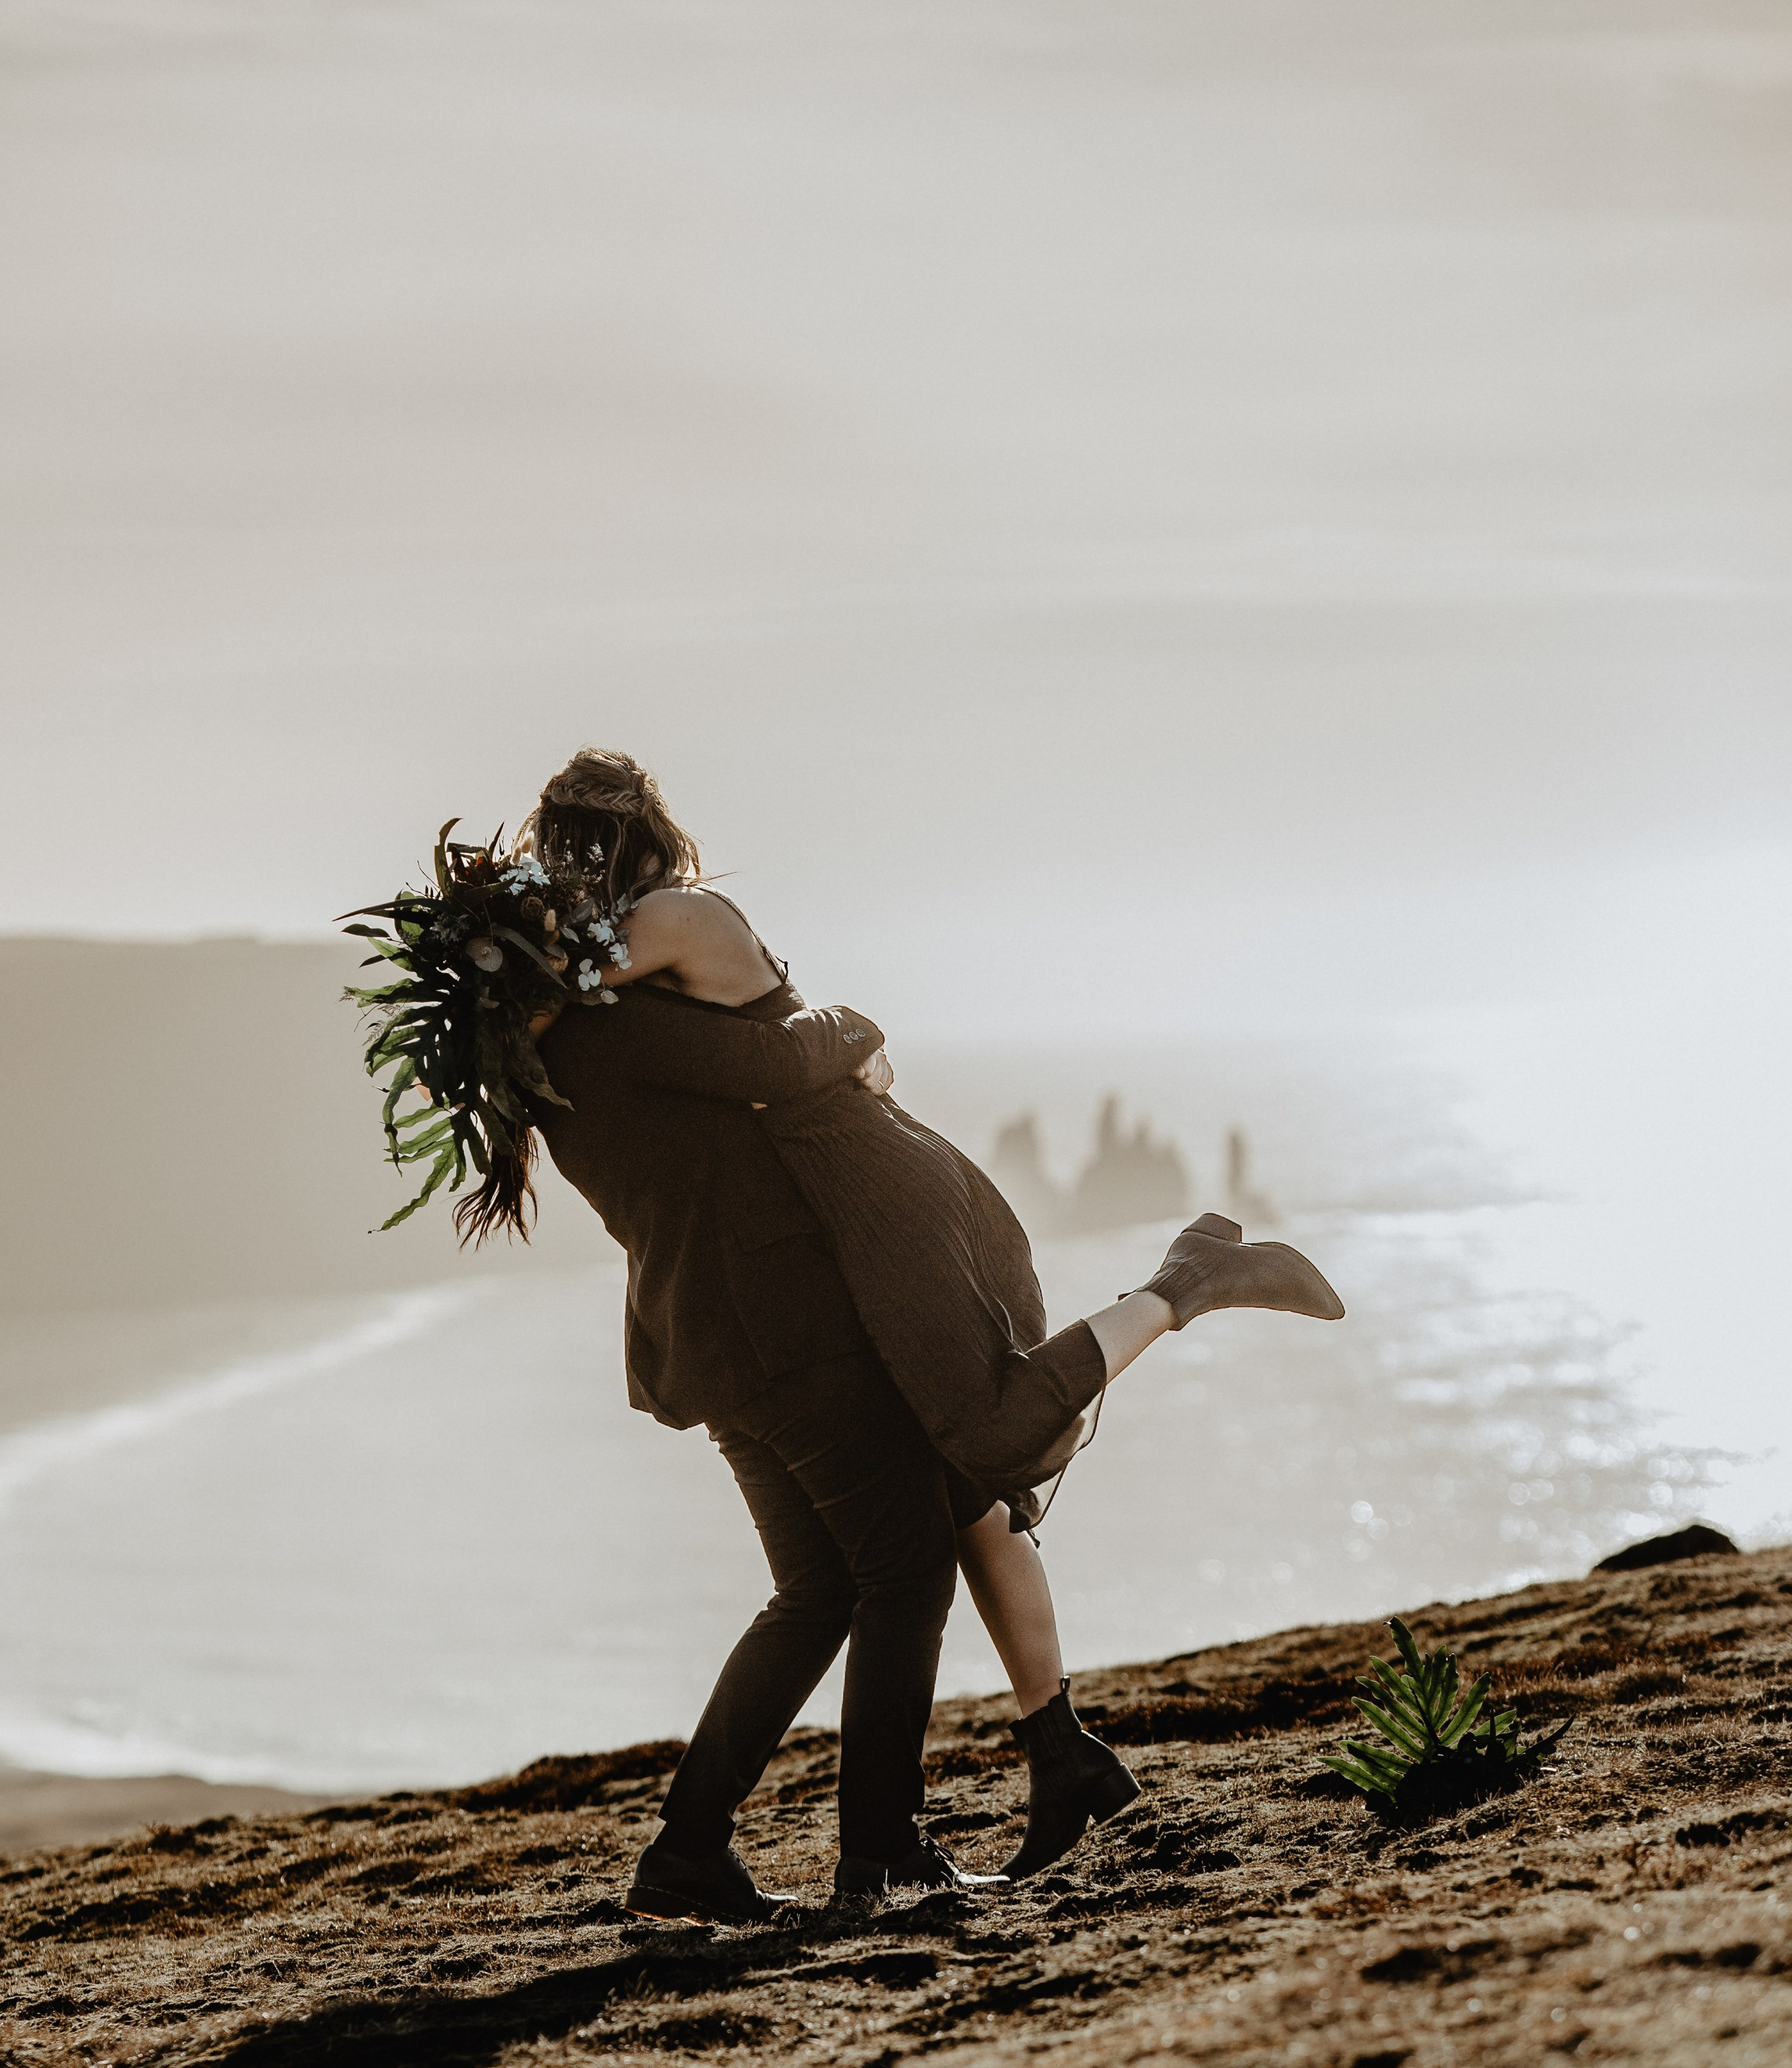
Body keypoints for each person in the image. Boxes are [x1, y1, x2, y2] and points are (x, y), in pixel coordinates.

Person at [519, 750, 1344, 1918]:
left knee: (814, 1591)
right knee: (902, 1572)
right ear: (642, 849)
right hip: (791, 1325)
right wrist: (854, 1029)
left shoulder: (545, 1054)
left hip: (702, 1342)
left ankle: (691, 1851)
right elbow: (780, 1056)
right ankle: (881, 1852)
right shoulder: (634, 1019)